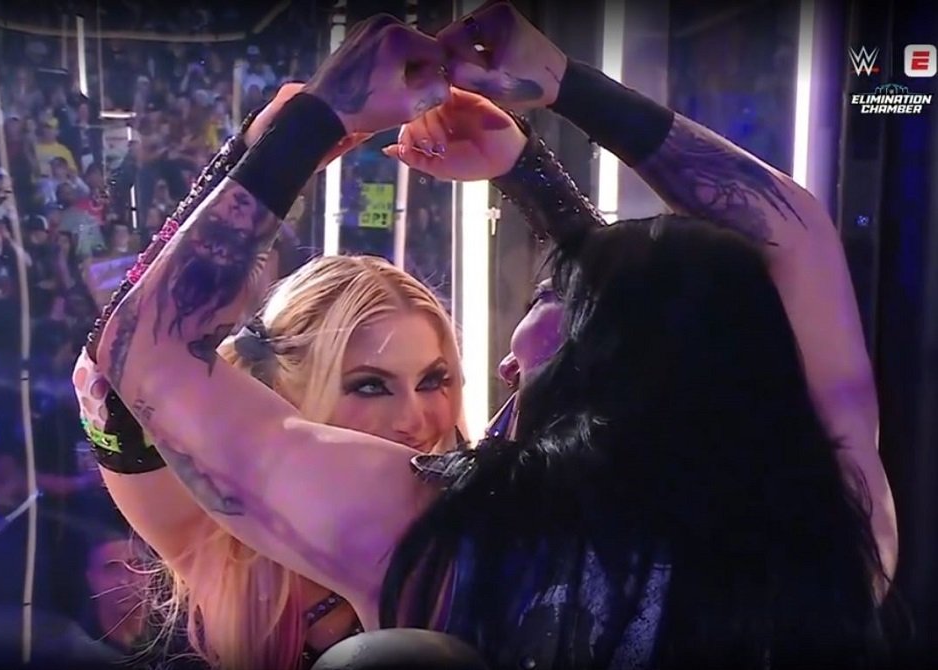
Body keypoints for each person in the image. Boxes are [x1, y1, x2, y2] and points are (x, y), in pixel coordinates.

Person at [81, 7, 896, 668]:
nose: (503, 361)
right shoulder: (839, 528)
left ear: (591, 352)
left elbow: (142, 352)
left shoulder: (433, 534)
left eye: (436, 377)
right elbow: (794, 237)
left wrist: (310, 123)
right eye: (371, 382)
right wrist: (551, 116)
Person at [72, 84, 465, 670]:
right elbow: (109, 377)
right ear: (282, 389)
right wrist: (265, 150)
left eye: (433, 380)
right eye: (369, 385)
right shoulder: (218, 539)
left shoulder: (472, 522)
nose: (414, 419)